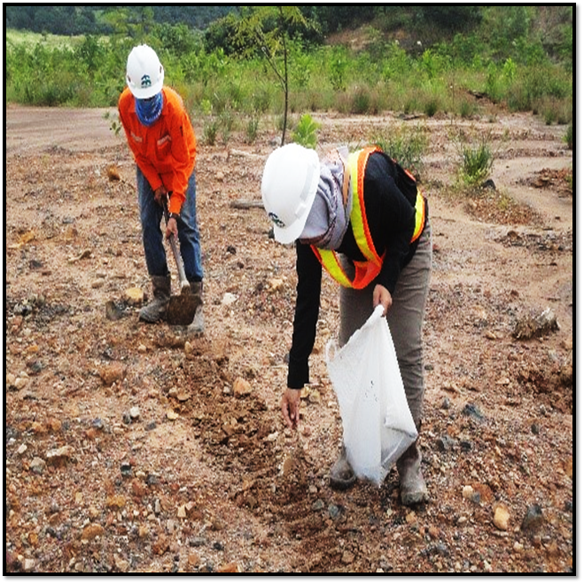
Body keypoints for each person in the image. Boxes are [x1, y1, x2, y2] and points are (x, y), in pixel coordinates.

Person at [261, 143, 432, 506]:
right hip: (364, 254)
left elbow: (404, 223)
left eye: (305, 228)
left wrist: (388, 277)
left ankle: (409, 458)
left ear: (318, 198)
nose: (306, 238)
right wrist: (295, 380)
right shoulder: (307, 224)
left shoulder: (371, 184)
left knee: (405, 348)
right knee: (352, 345)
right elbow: (307, 299)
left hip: (407, 244)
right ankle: (355, 447)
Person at [118, 44, 204, 334]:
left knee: (188, 227)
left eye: (152, 96)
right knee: (147, 223)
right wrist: (155, 185)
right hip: (149, 168)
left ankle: (195, 301)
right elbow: (138, 151)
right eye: (142, 98)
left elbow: (182, 163)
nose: (148, 103)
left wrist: (174, 213)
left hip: (179, 166)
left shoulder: (174, 110)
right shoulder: (124, 106)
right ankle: (162, 295)